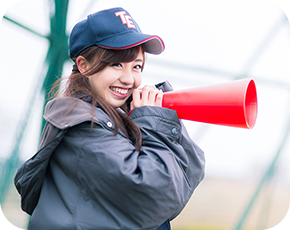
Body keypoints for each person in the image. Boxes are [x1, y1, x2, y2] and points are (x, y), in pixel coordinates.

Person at [14, 7, 205, 230]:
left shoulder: (115, 119)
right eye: (116, 64)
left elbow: (191, 170)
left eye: (137, 66)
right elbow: (156, 193)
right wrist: (153, 122)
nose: (129, 79)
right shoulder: (82, 127)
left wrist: (160, 115)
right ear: (84, 66)